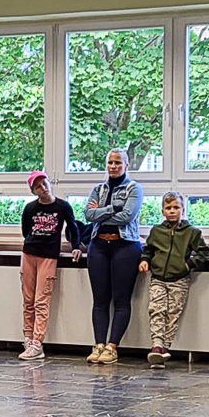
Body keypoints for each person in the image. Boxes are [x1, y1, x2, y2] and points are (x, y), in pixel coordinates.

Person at [82, 149, 144, 364]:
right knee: (99, 300)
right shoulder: (98, 189)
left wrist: (101, 210)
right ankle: (99, 345)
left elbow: (127, 217)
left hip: (125, 247)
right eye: (110, 162)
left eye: (118, 162)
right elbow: (88, 215)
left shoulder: (133, 188)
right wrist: (112, 207)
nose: (113, 166)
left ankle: (112, 347)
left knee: (121, 300)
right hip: (98, 245)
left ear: (127, 165)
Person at [140, 192, 209, 364]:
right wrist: (145, 260)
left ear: (183, 210)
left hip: (179, 280)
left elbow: (204, 252)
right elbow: (149, 250)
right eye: (168, 208)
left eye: (176, 208)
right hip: (158, 278)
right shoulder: (156, 231)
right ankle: (156, 345)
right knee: (156, 310)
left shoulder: (192, 232)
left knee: (172, 313)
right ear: (163, 211)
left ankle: (165, 348)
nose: (172, 211)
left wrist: (188, 265)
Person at [18, 171, 79, 360]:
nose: (43, 188)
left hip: (48, 257)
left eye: (44, 183)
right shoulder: (30, 208)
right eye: (38, 187)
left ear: (49, 183)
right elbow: (25, 230)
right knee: (28, 300)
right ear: (33, 191)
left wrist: (75, 247)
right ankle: (28, 338)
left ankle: (38, 342)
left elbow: (73, 227)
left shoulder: (62, 206)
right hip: (29, 253)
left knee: (41, 300)